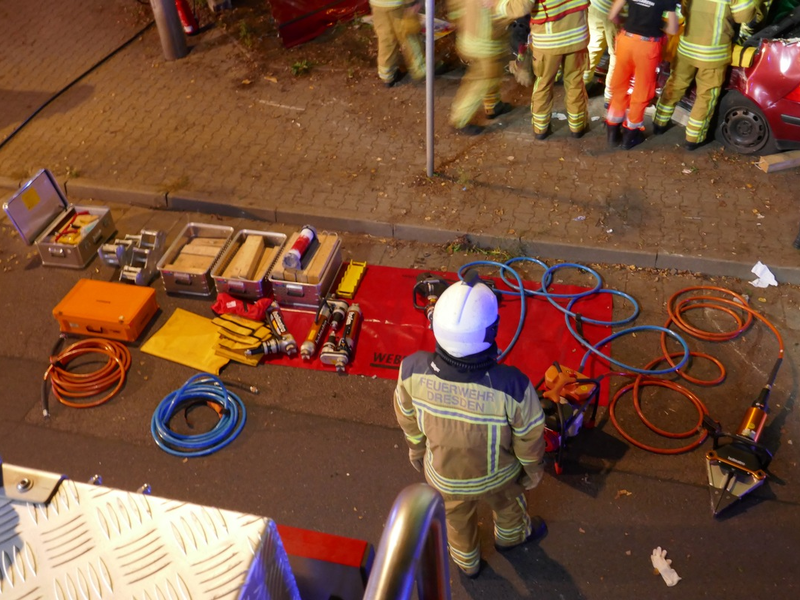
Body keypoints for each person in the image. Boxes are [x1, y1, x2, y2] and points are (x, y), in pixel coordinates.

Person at [394, 277, 547, 578]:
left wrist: (416, 450)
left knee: (456, 521)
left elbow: (407, 418)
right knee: (509, 507)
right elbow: (530, 436)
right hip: (500, 477)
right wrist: (532, 470)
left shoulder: (411, 370)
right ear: (492, 331)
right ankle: (511, 538)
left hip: (445, 479)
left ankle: (467, 562)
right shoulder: (513, 385)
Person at [652, 0, 756, 150]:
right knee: (706, 96)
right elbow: (745, 17)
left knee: (674, 85)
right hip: (713, 54)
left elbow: (684, 10)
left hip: (687, 49)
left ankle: (659, 123)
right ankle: (693, 139)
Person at [447, 0, 533, 135]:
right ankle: (460, 119)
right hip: (484, 41)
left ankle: (493, 104)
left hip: (474, 33)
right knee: (484, 79)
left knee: (494, 72)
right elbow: (520, 7)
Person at [605, 0, 679, 149]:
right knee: (642, 90)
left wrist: (629, 21)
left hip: (626, 41)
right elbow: (672, 30)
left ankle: (612, 131)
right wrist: (659, 24)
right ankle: (630, 135)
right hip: (647, 47)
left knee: (619, 86)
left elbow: (612, 16)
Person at [529, 0, 591, 140]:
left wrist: (498, 6)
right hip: (577, 35)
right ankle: (577, 126)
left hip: (547, 41)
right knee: (575, 81)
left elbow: (520, 6)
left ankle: (540, 128)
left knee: (544, 83)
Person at [369, 0, 426, 87]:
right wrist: (412, 3)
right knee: (409, 36)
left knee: (386, 39)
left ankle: (387, 76)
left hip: (377, 4)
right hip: (398, 5)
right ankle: (420, 71)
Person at [583, 0, 621, 107]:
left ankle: (583, 85)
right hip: (616, 12)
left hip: (596, 5)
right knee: (617, 54)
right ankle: (610, 96)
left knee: (593, 46)